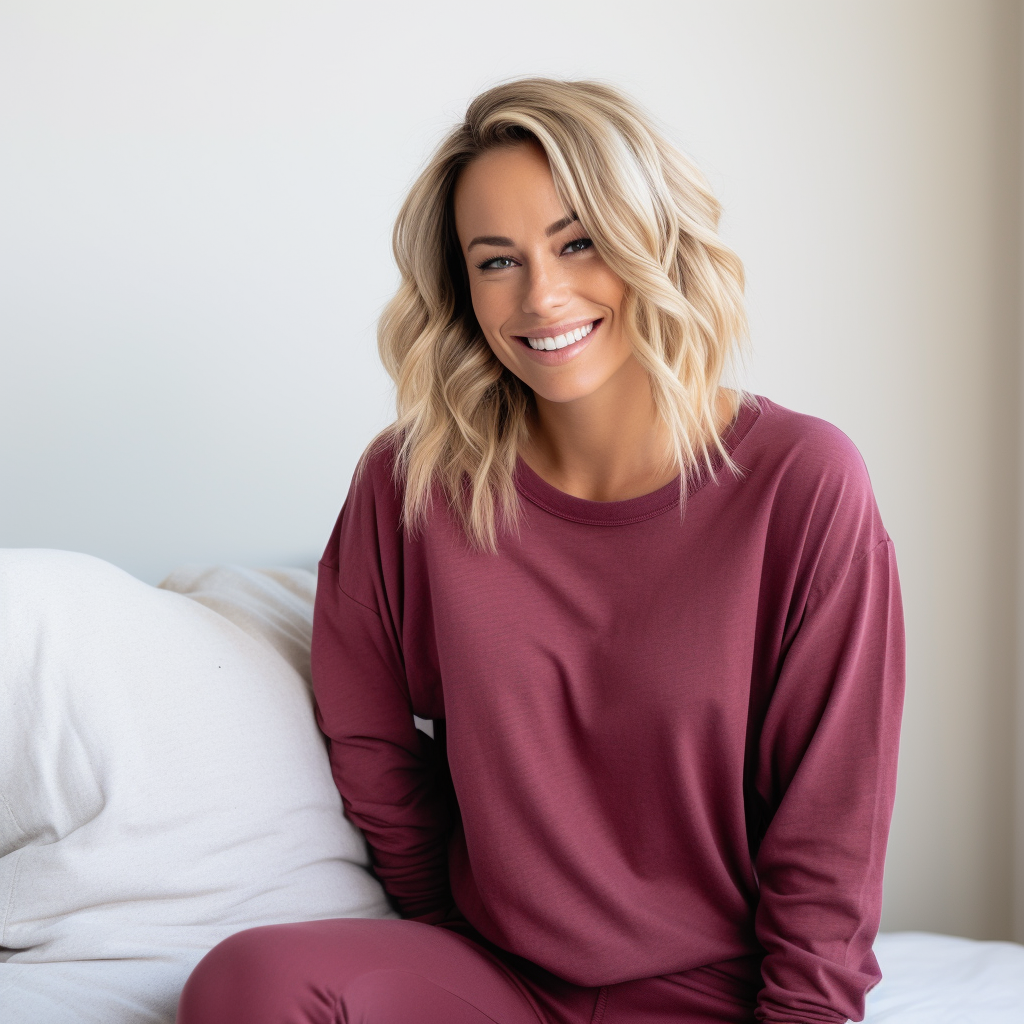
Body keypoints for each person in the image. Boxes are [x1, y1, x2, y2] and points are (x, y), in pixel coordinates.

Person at [177, 77, 905, 1024]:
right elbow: (369, 739)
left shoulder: (801, 484)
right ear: (461, 286)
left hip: (709, 994)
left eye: (578, 242)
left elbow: (832, 824)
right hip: (497, 980)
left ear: (655, 239)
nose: (542, 294)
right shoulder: (413, 483)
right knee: (250, 984)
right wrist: (442, 918)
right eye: (496, 260)